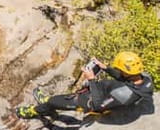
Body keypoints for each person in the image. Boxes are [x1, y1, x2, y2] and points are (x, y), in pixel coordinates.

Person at [15, 51, 154, 119]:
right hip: (103, 92)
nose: (117, 70)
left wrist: (92, 80)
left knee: (54, 101)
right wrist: (104, 67)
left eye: (119, 69)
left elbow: (98, 106)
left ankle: (35, 111)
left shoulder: (124, 94)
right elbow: (123, 78)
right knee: (63, 98)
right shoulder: (144, 78)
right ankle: (47, 105)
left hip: (91, 101)